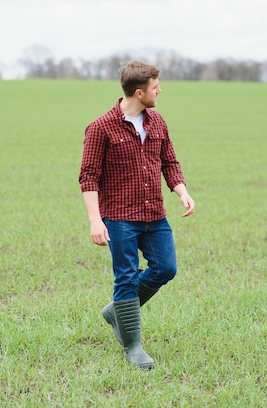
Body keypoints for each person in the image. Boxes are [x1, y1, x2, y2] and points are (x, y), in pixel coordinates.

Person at [78, 60, 195, 370]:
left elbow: (170, 162)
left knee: (165, 268)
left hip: (154, 214)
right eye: (156, 87)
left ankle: (116, 311)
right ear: (140, 92)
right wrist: (95, 219)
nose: (160, 91)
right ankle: (133, 346)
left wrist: (181, 191)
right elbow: (88, 177)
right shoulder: (101, 127)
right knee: (126, 277)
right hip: (118, 216)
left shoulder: (157, 122)